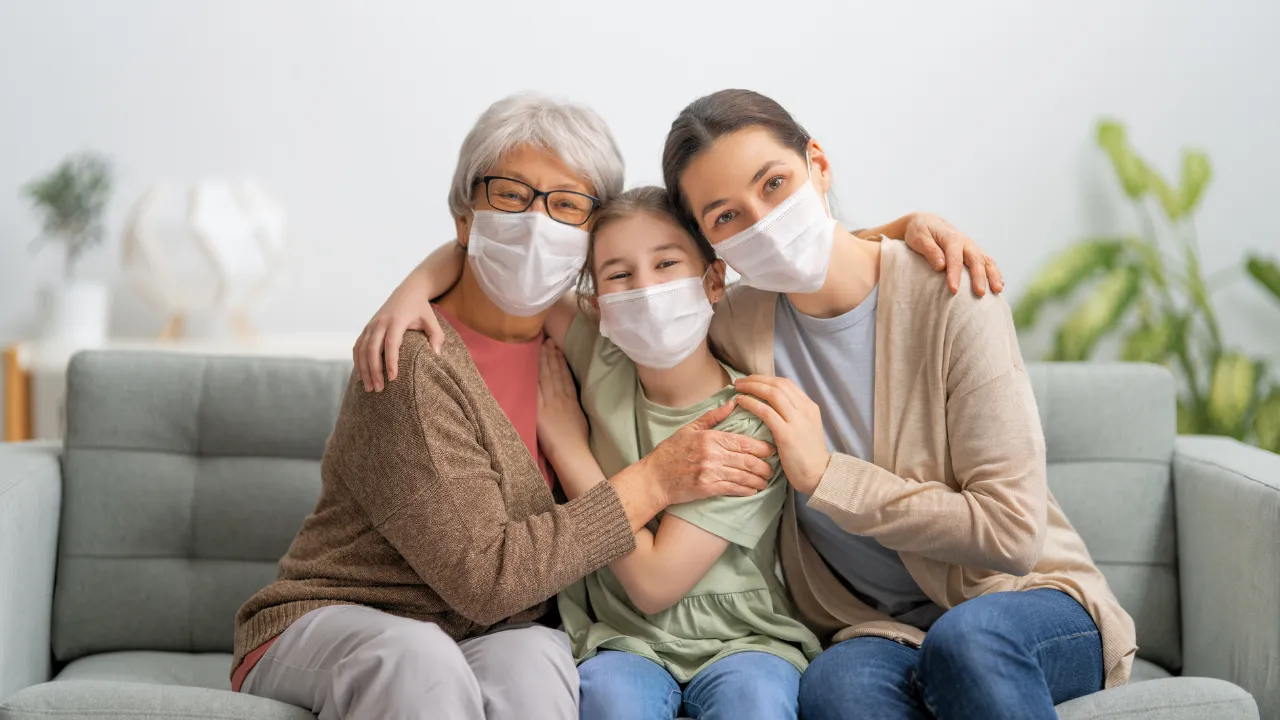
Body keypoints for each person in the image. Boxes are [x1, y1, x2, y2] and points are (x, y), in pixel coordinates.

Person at [231, 94, 782, 720]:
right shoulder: (414, 361)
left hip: (494, 630)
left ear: (588, 243)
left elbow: (782, 277)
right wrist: (655, 479)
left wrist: (891, 235)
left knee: (539, 666)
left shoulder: (590, 339)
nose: (537, 224)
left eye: (567, 204)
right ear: (466, 217)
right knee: (417, 660)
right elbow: (484, 578)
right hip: (357, 616)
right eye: (511, 195)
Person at [663, 89, 1136, 719]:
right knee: (835, 690)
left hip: (1026, 602)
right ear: (711, 249)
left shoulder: (953, 293)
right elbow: (622, 287)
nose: (762, 222)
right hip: (874, 629)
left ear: (818, 165)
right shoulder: (733, 325)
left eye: (774, 184)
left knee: (967, 641)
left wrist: (827, 478)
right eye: (726, 217)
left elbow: (1013, 532)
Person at [537, 186, 822, 719]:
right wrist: (410, 293)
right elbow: (496, 279)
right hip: (620, 639)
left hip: (744, 642)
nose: (645, 289)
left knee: (754, 705)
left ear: (713, 280)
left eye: (666, 263)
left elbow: (653, 584)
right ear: (599, 305)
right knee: (612, 701)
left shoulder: (751, 417)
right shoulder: (599, 356)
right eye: (619, 275)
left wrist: (567, 446)